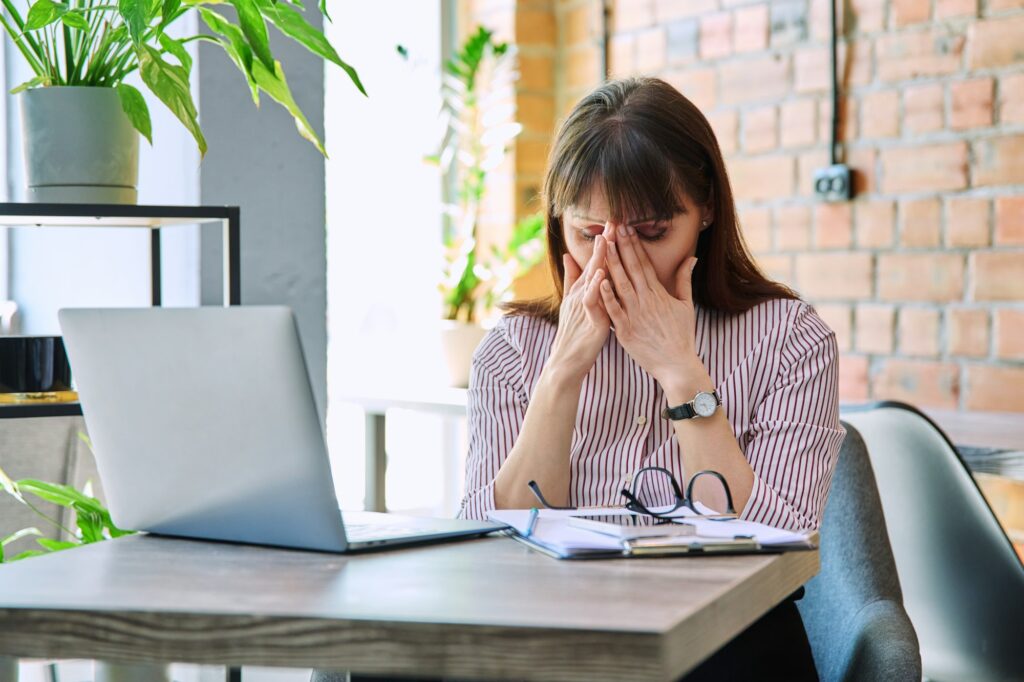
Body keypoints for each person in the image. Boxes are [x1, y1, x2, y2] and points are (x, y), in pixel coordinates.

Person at [456, 76, 844, 680]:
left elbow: (777, 548)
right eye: (590, 234)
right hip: (553, 635)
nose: (616, 259)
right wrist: (561, 375)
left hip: (727, 638)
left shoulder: (791, 340)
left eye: (652, 233)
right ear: (559, 220)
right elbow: (491, 546)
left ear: (707, 210)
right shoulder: (513, 349)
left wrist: (681, 373)